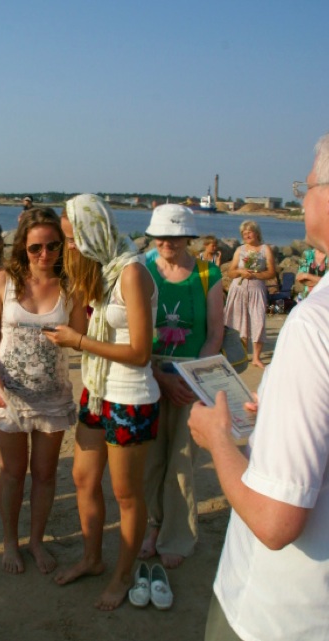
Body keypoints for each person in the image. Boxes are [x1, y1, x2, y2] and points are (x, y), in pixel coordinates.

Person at [187, 133, 329, 641]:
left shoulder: (315, 325)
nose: (302, 199)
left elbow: (274, 521)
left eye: (306, 187)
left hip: (284, 614)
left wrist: (217, 439)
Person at [46, 194, 160, 611]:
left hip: (130, 396)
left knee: (126, 494)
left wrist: (78, 342)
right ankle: (92, 559)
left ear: (92, 233)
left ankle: (123, 574)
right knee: (82, 477)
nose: (68, 247)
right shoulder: (103, 269)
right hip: (97, 391)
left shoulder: (131, 272)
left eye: (71, 239)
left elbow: (141, 353)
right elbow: (80, 320)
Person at [0, 207, 87, 576]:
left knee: (44, 473)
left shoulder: (71, 286)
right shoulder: (4, 281)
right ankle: (10, 541)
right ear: (23, 246)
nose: (45, 254)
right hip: (9, 394)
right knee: (12, 472)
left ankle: (36, 541)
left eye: (53, 246)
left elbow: (82, 337)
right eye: (36, 247)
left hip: (53, 397)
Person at [139, 204, 224, 569]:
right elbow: (132, 330)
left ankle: (177, 534)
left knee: (182, 459)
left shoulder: (208, 273)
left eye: (173, 236)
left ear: (188, 237)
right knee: (150, 459)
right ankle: (152, 527)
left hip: (192, 376)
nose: (165, 242)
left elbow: (215, 332)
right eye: (160, 235)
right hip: (149, 372)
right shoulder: (141, 268)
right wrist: (161, 377)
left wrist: (190, 379)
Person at [223, 220, 276, 368]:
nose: (246, 236)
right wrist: (241, 271)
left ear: (257, 233)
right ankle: (243, 354)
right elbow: (231, 272)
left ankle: (256, 358)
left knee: (258, 321)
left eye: (249, 232)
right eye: (244, 233)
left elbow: (271, 272)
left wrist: (255, 275)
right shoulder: (239, 250)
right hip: (238, 289)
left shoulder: (265, 249)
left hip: (256, 289)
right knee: (238, 322)